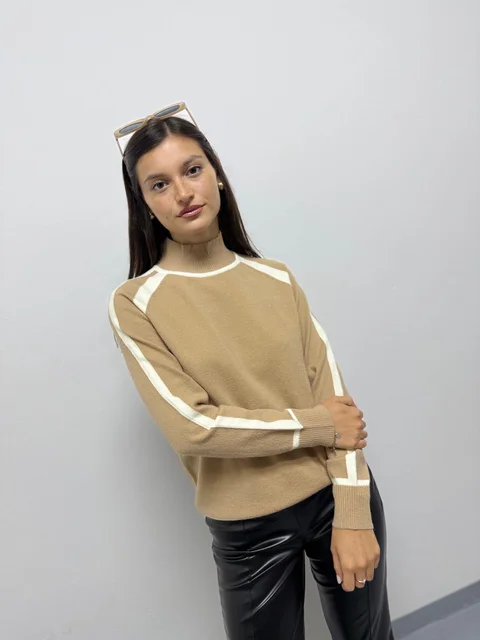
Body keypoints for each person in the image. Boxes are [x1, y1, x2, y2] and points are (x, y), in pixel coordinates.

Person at [108, 102, 395, 639]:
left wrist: (354, 512)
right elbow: (194, 427)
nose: (183, 192)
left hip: (336, 496)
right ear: (143, 203)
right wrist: (318, 425)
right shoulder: (136, 304)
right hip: (247, 528)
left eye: (192, 170)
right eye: (159, 184)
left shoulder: (276, 279)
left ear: (216, 174)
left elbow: (338, 401)